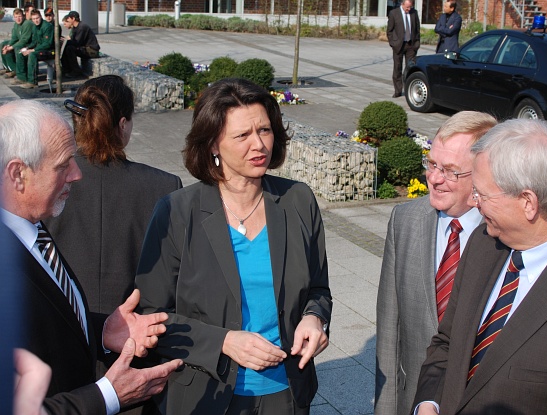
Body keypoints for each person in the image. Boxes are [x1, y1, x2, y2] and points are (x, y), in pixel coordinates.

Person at [135, 77, 332, 415]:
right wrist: (225, 342)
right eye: (242, 135)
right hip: (204, 394)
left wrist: (314, 318)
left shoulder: (298, 200)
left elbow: (318, 288)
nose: (259, 145)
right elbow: (150, 316)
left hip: (287, 391)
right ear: (212, 144)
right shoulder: (177, 211)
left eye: (265, 131)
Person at [414, 119, 547, 415]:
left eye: (482, 194)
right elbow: (447, 343)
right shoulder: (484, 243)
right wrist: (428, 403)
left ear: (528, 202)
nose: (474, 202)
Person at [0, 100, 183, 415]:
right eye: (63, 164)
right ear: (18, 174)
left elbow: (49, 326)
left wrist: (99, 331)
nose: (76, 175)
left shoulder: (33, 229)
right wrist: (109, 395)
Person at [375, 111, 497, 415]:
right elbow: (390, 330)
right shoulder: (405, 221)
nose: (434, 178)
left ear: (484, 174)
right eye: (432, 164)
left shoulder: (504, 236)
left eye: (451, 171)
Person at [386, 0, 420, 98]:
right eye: (407, 7)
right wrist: (393, 43)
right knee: (397, 68)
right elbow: (389, 30)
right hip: (398, 45)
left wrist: (416, 44)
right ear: (402, 4)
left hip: (411, 45)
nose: (409, 9)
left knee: (410, 68)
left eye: (410, 7)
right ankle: (398, 90)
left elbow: (417, 29)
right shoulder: (394, 13)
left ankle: (409, 89)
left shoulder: (414, 13)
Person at [16, 8, 54, 89]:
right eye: (33, 19)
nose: (36, 20)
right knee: (20, 51)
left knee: (32, 54)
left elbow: (47, 44)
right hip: (39, 49)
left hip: (49, 51)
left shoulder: (47, 26)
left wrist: (32, 50)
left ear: (40, 17)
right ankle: (22, 77)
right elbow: (34, 41)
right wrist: (26, 48)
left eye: (37, 18)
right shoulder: (35, 27)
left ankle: (32, 81)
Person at [61, 11, 100, 78]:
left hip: (91, 50)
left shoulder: (82, 27)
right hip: (84, 48)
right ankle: (67, 70)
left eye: (69, 18)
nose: (67, 20)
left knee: (70, 49)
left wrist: (66, 41)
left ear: (73, 19)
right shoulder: (75, 28)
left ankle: (76, 71)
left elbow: (77, 42)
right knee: (65, 48)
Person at [1, 8, 34, 78]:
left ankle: (17, 71)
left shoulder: (27, 24)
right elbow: (14, 38)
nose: (18, 19)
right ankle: (9, 68)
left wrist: (11, 47)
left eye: (19, 16)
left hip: (29, 44)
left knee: (17, 48)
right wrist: (8, 45)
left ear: (23, 16)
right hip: (21, 42)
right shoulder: (16, 24)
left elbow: (24, 40)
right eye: (16, 17)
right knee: (3, 44)